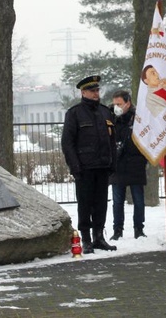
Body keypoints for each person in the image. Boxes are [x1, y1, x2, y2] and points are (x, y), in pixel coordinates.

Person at [62, 75, 118, 254]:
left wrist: (112, 162)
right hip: (84, 168)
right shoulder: (74, 113)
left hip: (102, 166)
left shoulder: (105, 112)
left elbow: (112, 141)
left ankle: (99, 237)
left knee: (101, 203)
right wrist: (74, 166)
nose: (96, 93)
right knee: (85, 204)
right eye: (92, 91)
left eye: (97, 90)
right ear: (83, 92)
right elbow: (67, 143)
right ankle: (85, 238)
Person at [109, 90, 148, 240]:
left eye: (119, 104)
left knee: (138, 200)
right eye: (114, 104)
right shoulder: (111, 117)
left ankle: (139, 228)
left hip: (135, 163)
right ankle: (117, 230)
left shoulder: (138, 117)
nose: (116, 107)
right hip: (117, 164)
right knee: (117, 201)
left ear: (128, 103)